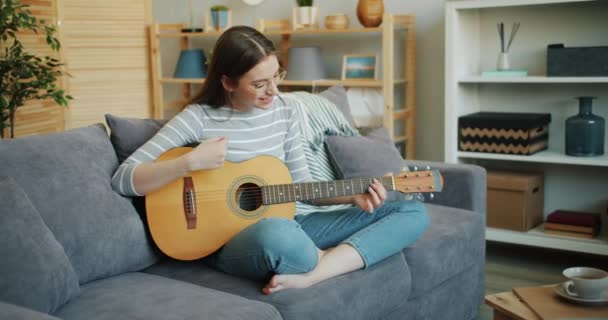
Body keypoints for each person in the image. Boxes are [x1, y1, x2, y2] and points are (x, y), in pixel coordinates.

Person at [111, 26, 429, 295]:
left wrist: (351, 196)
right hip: (229, 241)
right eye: (260, 84)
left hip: (295, 223)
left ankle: (316, 272)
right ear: (228, 83)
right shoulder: (198, 119)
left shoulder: (284, 112)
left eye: (276, 77)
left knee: (411, 209)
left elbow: (303, 188)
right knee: (276, 234)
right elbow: (124, 178)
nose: (273, 91)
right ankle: (333, 256)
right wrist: (189, 162)